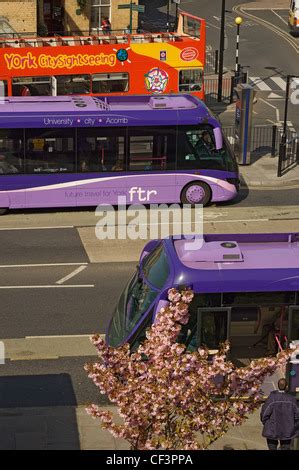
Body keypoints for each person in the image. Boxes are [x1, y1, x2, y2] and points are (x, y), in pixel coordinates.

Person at [260, 378, 299, 450]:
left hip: (272, 429)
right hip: (288, 430)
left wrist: (266, 423)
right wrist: (293, 425)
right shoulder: (292, 399)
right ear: (286, 386)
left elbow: (264, 414)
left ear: (278, 386)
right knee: (285, 448)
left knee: (272, 448)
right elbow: (297, 415)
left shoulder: (271, 398)